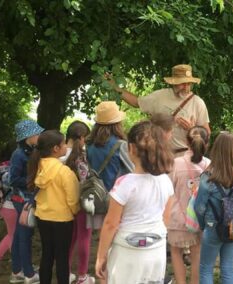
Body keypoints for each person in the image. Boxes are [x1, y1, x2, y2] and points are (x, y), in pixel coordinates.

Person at [95, 120, 174, 283]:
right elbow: (166, 218)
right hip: (156, 248)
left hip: (127, 250)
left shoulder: (124, 183)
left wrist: (100, 256)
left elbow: (111, 223)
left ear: (130, 148)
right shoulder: (166, 181)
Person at [107, 64, 211, 154]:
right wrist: (114, 86)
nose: (186, 87)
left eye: (189, 83)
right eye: (183, 83)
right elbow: (136, 102)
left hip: (186, 158)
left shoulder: (198, 103)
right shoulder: (160, 96)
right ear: (173, 82)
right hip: (160, 156)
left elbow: (207, 134)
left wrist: (192, 130)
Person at [194, 132, 233, 284]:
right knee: (228, 266)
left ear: (217, 150)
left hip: (212, 226)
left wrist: (203, 225)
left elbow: (199, 207)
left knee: (206, 267)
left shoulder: (209, 177)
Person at [28, 130, 80, 284]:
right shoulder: (65, 172)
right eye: (63, 143)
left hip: (42, 217)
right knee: (62, 257)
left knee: (47, 255)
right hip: (62, 219)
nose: (65, 146)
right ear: (55, 149)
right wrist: (75, 211)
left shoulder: (37, 167)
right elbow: (73, 200)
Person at [168, 126, 211, 284]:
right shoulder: (209, 165)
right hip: (200, 219)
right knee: (197, 253)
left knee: (176, 251)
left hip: (177, 217)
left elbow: (167, 190)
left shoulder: (176, 163)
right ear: (207, 143)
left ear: (186, 142)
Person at [86, 101, 134, 229]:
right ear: (117, 123)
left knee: (103, 234)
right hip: (117, 197)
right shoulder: (120, 145)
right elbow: (133, 171)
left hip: (96, 194)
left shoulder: (89, 144)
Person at [9, 119, 44, 284]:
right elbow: (13, 179)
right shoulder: (19, 155)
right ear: (28, 136)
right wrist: (35, 180)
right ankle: (29, 275)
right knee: (25, 235)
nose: (39, 135)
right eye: (37, 133)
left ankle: (17, 271)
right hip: (21, 199)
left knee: (18, 235)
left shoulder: (29, 151)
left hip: (25, 197)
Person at [62, 121, 95, 284]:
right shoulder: (81, 156)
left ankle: (66, 273)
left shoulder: (57, 153)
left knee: (70, 238)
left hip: (62, 204)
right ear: (81, 137)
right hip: (82, 201)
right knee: (84, 237)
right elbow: (85, 179)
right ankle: (82, 276)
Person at [0, 140, 17, 273]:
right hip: (11, 206)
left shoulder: (0, 166)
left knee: (12, 234)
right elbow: (13, 186)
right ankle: (17, 268)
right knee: (14, 235)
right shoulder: (11, 169)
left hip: (3, 206)